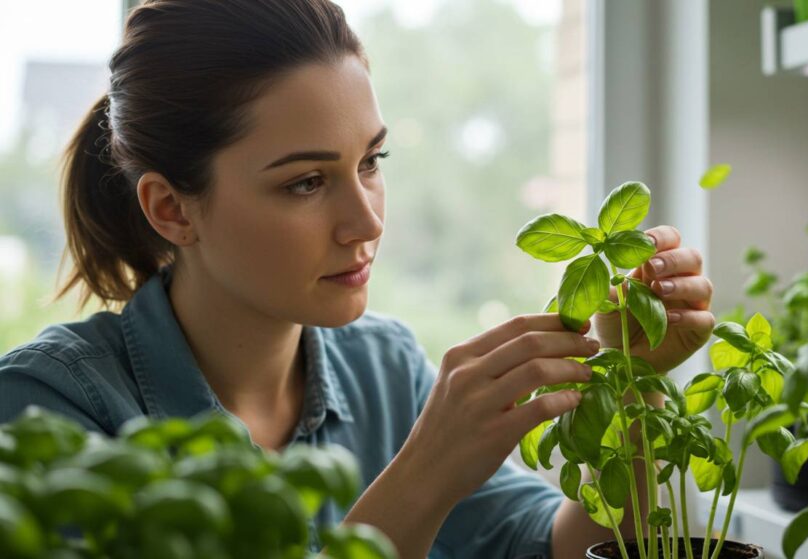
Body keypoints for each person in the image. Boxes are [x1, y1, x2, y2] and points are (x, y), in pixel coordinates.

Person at [0, 1, 714, 557]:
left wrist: (632, 379)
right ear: (170, 209)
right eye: (307, 182)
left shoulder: (384, 368)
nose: (366, 221)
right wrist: (425, 472)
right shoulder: (46, 413)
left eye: (370, 162)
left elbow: (557, 549)